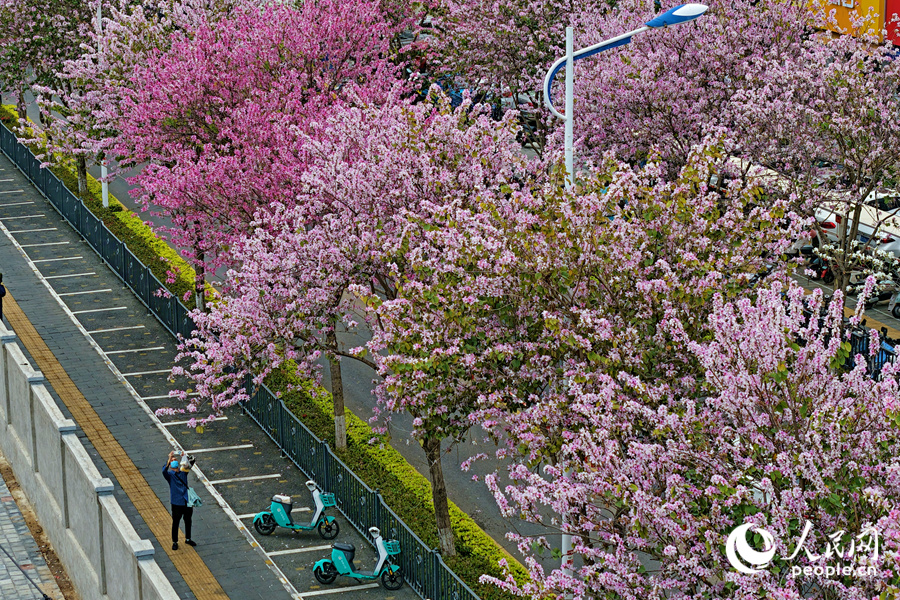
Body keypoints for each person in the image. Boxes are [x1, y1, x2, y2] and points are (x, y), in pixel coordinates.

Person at [163, 450, 196, 550]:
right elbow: (163, 471)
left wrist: (185, 457)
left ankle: (188, 538)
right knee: (176, 522)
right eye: (172, 461)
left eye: (175, 460)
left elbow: (192, 462)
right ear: (170, 465)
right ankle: (175, 541)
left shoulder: (183, 472)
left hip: (186, 501)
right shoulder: (170, 476)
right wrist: (169, 458)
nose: (174, 461)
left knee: (188, 520)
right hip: (177, 503)